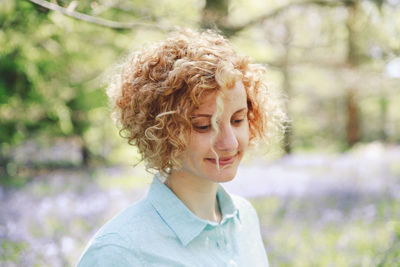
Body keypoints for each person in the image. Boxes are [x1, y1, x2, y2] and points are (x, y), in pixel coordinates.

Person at [77, 29, 283, 267]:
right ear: (162, 131)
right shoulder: (119, 252)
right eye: (203, 126)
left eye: (237, 120)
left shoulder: (245, 218)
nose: (230, 143)